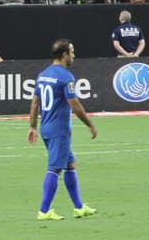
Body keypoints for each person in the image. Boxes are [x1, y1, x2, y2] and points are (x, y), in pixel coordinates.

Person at [28, 39, 98, 221]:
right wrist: (90, 124)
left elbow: (35, 101)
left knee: (70, 165)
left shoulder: (43, 75)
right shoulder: (66, 77)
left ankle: (79, 207)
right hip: (59, 129)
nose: (74, 55)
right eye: (72, 52)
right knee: (54, 169)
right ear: (65, 54)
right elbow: (74, 104)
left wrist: (33, 126)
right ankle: (44, 211)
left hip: (46, 127)